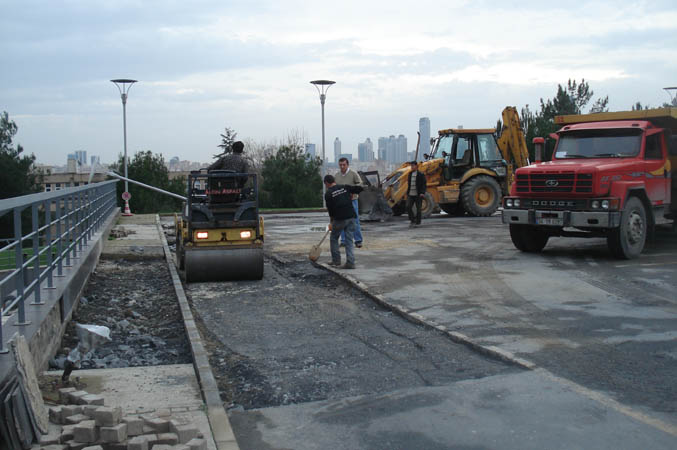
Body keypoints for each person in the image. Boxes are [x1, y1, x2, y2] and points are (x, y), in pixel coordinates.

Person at [324, 174, 363, 269]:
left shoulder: (328, 193)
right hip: (351, 217)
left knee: (334, 237)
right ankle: (350, 262)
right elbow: (358, 189)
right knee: (349, 240)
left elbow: (331, 210)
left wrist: (331, 222)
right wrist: (354, 192)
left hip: (340, 219)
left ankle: (336, 261)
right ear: (334, 181)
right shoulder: (344, 187)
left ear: (327, 183)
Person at [334, 157, 364, 248]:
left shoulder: (353, 174)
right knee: (342, 221)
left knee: (354, 221)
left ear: (347, 165)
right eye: (340, 165)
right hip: (341, 202)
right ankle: (344, 241)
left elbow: (360, 185)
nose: (342, 166)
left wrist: (352, 191)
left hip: (352, 200)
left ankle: (358, 240)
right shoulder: (337, 175)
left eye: (344, 165)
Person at [406, 160, 427, 227]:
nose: (411, 167)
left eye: (412, 165)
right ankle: (412, 220)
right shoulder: (410, 174)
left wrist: (422, 192)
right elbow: (409, 184)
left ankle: (418, 222)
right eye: (411, 166)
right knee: (408, 207)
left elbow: (424, 184)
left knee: (418, 209)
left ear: (416, 166)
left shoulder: (421, 174)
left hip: (418, 194)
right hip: (411, 194)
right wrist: (407, 193)